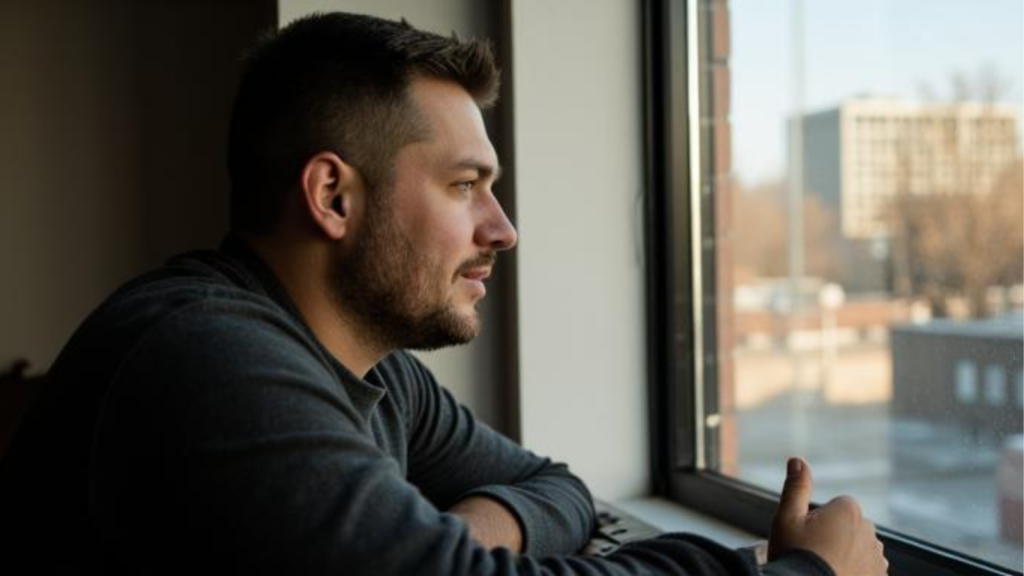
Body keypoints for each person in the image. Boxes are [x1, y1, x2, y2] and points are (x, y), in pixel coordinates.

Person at [0, 12, 888, 575]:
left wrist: (472, 534)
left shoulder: (366, 366)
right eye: (466, 185)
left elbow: (554, 485)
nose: (502, 229)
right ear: (332, 196)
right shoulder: (210, 363)